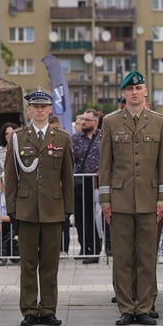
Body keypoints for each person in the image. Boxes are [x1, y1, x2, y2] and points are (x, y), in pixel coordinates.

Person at [98, 71, 163, 326]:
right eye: (130, 89)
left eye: (139, 88)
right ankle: (126, 307)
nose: (135, 92)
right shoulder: (110, 122)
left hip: (150, 199)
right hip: (120, 200)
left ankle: (144, 306)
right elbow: (105, 165)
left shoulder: (159, 122)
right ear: (123, 93)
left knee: (147, 256)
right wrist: (105, 201)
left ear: (146, 92)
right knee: (123, 257)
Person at [4, 89, 74, 326]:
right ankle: (29, 309)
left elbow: (67, 176)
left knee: (50, 264)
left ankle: (48, 309)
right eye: (36, 106)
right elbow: (11, 176)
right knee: (28, 263)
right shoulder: (18, 138)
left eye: (44, 106)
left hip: (53, 209)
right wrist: (11, 209)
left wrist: (68, 211)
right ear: (29, 110)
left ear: (50, 109)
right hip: (26, 208)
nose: (40, 110)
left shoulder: (62, 138)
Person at [71, 108, 102, 263]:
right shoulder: (75, 138)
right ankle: (85, 247)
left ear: (95, 122)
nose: (83, 122)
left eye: (87, 120)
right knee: (80, 218)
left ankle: (95, 250)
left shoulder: (103, 137)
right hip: (79, 182)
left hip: (96, 184)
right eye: (82, 119)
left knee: (94, 218)